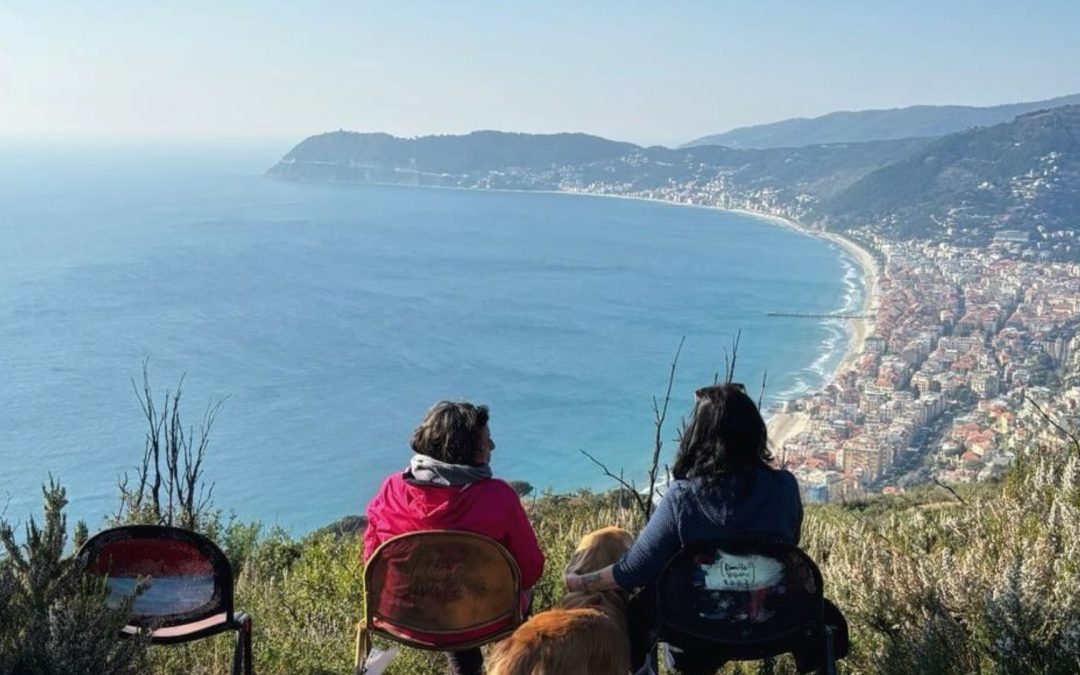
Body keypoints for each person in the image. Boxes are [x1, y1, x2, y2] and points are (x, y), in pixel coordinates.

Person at [564, 383, 844, 674]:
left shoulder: (682, 496)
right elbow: (787, 543)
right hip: (772, 622)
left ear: (697, 436)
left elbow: (634, 572)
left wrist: (581, 581)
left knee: (637, 617)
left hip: (695, 630)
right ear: (755, 432)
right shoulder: (784, 486)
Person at [363, 400, 545, 675]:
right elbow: (530, 571)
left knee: (447, 596)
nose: (492, 446)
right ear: (463, 451)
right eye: (485, 442)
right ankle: (509, 665)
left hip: (409, 618)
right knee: (468, 594)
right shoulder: (498, 496)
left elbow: (369, 561)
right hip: (488, 620)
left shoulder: (390, 490)